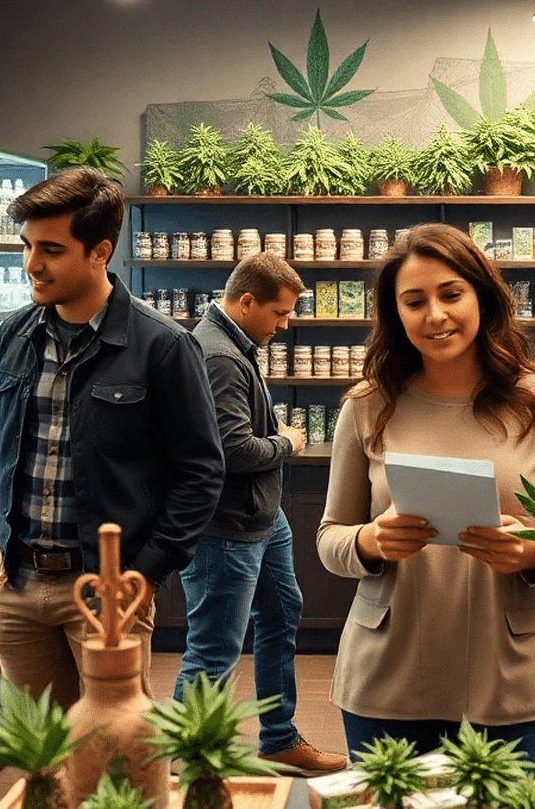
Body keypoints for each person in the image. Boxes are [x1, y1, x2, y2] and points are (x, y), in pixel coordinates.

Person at [317, 223, 535, 768]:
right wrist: (371, 541)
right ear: (395, 313)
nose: (435, 315)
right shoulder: (367, 404)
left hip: (508, 675)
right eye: (414, 301)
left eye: (451, 294)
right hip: (385, 674)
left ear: (483, 296)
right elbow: (330, 538)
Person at [0, 165, 225, 704]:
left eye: (51, 250)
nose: (31, 265)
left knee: (114, 763)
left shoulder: (162, 345)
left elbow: (201, 473)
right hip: (14, 586)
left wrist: (146, 576)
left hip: (106, 590)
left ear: (100, 251)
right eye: (26, 246)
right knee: (40, 759)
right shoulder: (13, 335)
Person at [176, 252, 348, 774]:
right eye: (279, 313)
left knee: (279, 613)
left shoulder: (232, 343)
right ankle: (192, 760)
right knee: (213, 647)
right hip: (225, 525)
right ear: (246, 300)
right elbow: (233, 451)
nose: (285, 324)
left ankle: (278, 737)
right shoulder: (220, 356)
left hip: (260, 518)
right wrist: (287, 444)